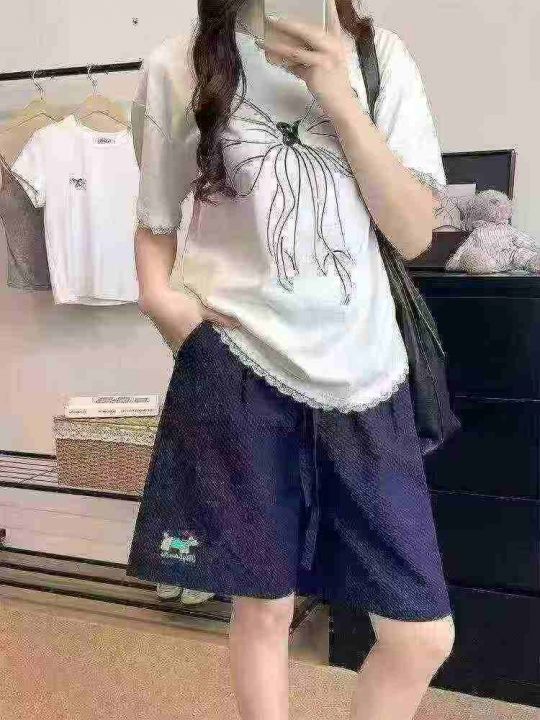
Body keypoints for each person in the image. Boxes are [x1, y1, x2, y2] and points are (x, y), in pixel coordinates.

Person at [126, 1, 456, 718]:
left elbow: (413, 234)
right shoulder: (178, 64)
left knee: (422, 634)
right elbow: (155, 218)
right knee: (264, 607)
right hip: (239, 365)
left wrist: (339, 96)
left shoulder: (379, 59)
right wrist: (165, 304)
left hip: (367, 374)